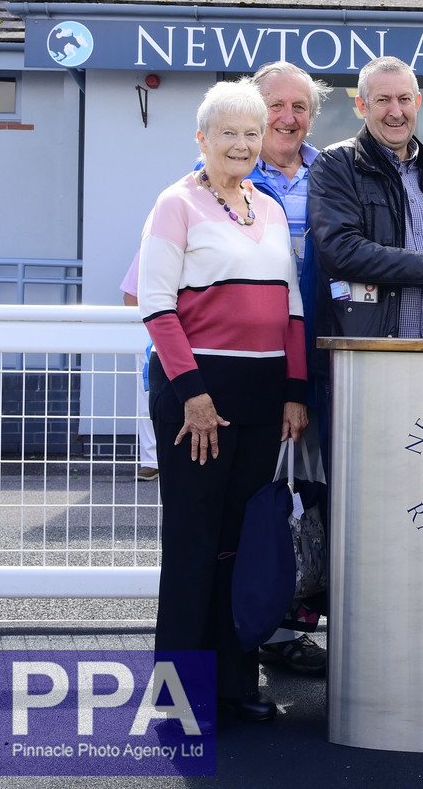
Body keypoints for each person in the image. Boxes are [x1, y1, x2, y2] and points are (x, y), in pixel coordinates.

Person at [138, 80, 308, 723]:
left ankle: (234, 685)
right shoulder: (175, 204)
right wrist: (193, 396)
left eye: (251, 132)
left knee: (238, 545)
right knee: (193, 542)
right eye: (228, 132)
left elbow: (290, 308)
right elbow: (156, 306)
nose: (241, 143)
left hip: (263, 399)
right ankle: (179, 699)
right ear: (202, 139)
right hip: (196, 398)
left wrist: (294, 392)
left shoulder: (265, 206)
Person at [245, 60, 333, 677]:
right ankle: (245, 629)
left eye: (300, 107)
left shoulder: (335, 173)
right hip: (249, 364)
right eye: (276, 105)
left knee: (318, 497)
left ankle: (289, 629)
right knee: (256, 500)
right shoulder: (220, 175)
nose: (288, 117)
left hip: (321, 361)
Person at [307, 55, 423, 346]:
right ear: (362, 106)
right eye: (383, 100)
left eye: (404, 99)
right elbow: (342, 250)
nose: (396, 111)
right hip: (367, 353)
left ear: (418, 103)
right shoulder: (336, 164)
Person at [119, 252, 158, 481]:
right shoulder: (150, 247)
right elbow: (130, 296)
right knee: (149, 396)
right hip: (156, 332)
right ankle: (151, 460)